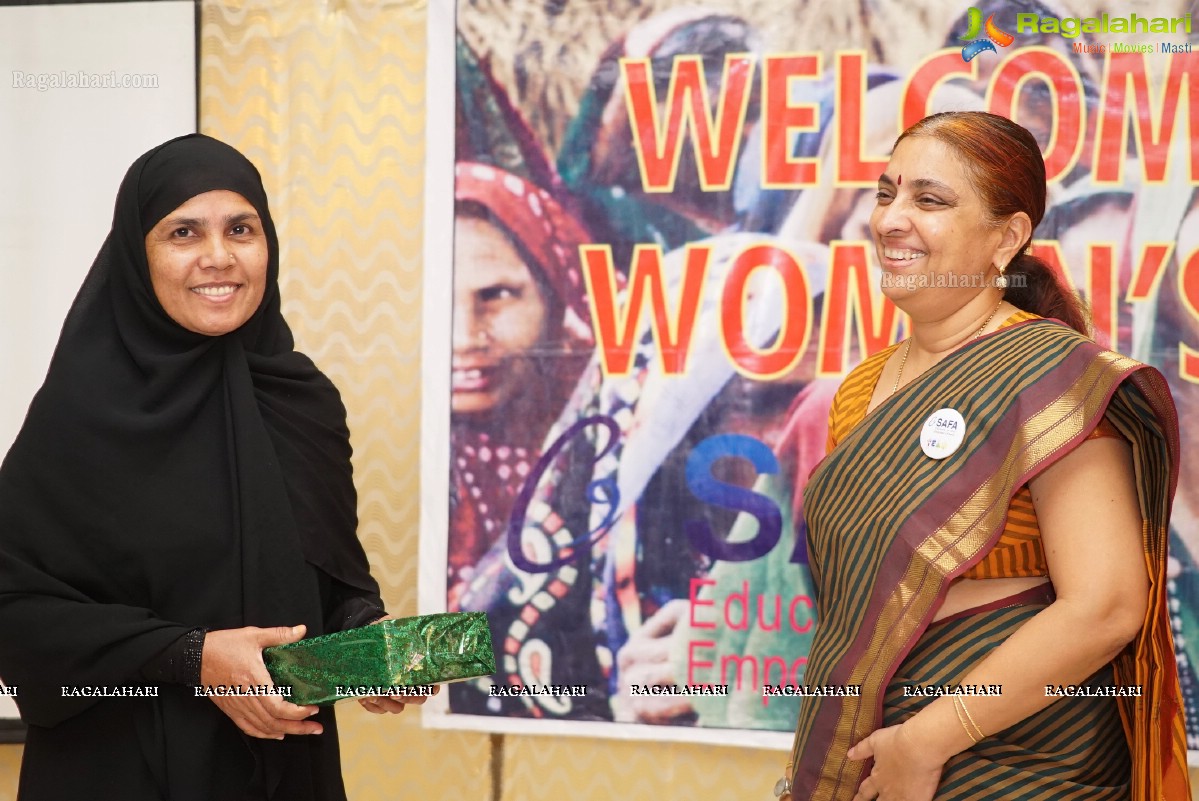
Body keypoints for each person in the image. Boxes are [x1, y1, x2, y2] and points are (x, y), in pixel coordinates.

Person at [779, 112, 1190, 800]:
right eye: (886, 194)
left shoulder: (1050, 378)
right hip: (870, 754)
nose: (889, 220)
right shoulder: (854, 392)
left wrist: (926, 737)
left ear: (1007, 237)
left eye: (928, 200)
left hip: (1018, 762)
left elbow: (1107, 604)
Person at [0, 134, 424, 801]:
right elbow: (15, 610)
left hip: (285, 767)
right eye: (183, 232)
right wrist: (193, 658)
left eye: (241, 229)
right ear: (137, 255)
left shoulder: (302, 400)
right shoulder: (80, 415)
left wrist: (366, 640)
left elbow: (329, 576)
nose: (218, 256)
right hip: (123, 768)